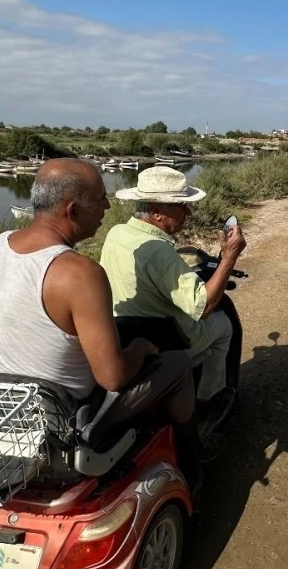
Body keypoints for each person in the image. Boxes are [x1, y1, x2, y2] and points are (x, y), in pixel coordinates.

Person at [0, 157, 220, 478]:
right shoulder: (80, 274)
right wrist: (141, 347)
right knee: (177, 364)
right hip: (61, 417)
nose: (107, 206)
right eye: (100, 199)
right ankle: (194, 457)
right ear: (72, 211)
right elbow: (113, 378)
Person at [101, 166, 246, 414]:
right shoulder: (158, 250)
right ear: (157, 212)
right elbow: (204, 307)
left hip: (126, 331)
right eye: (181, 206)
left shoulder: (117, 232)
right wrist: (229, 257)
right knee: (223, 326)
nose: (187, 211)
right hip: (167, 339)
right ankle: (209, 398)